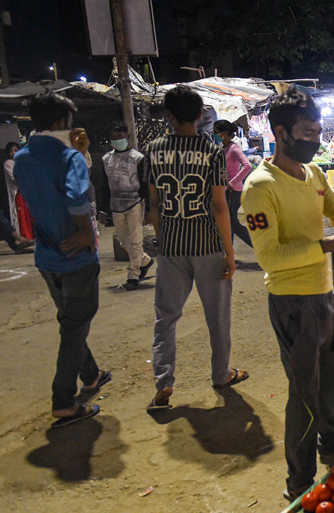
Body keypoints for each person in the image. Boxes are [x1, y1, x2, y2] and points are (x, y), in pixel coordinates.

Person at [242, 86, 334, 500]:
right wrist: (327, 245)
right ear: (280, 133)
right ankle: (299, 482)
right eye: (307, 133)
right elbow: (270, 258)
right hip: (292, 304)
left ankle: (332, 447)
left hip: (325, 294)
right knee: (303, 394)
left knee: (331, 384)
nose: (315, 140)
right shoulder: (259, 187)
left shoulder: (315, 174)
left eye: (318, 132)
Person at [144, 85, 248, 411]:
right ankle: (221, 374)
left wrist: (164, 239)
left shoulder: (153, 150)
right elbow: (220, 206)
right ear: (201, 114)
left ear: (170, 117)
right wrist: (229, 251)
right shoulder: (212, 151)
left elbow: (154, 204)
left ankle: (164, 382)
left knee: (166, 318)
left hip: (173, 248)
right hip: (208, 246)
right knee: (217, 317)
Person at [13, 92, 109, 427]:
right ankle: (63, 399)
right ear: (59, 123)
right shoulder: (68, 158)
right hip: (76, 256)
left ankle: (92, 374)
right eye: (68, 122)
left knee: (70, 319)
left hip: (47, 255)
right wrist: (84, 231)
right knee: (74, 325)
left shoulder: (23, 158)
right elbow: (75, 196)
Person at [103, 120, 154, 290]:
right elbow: (105, 184)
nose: (116, 139)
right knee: (124, 241)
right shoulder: (106, 159)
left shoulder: (138, 158)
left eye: (119, 136)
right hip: (115, 204)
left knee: (135, 240)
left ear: (127, 136)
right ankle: (145, 260)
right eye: (113, 137)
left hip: (135, 202)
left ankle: (133, 275)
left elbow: (145, 184)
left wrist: (147, 210)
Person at [214, 119, 253, 249]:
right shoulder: (224, 148)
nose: (214, 135)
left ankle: (260, 246)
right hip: (226, 190)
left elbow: (247, 166)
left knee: (232, 223)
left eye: (216, 132)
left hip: (233, 192)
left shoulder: (234, 149)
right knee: (229, 222)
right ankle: (226, 251)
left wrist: (232, 183)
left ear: (224, 133)